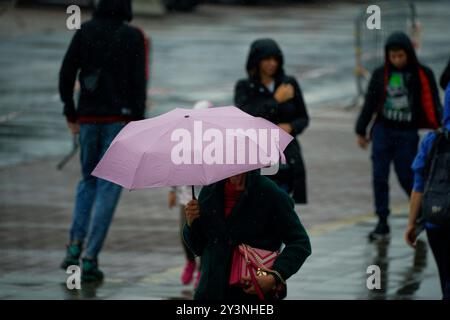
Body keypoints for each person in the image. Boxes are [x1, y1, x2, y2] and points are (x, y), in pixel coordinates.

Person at [59, 0, 148, 282]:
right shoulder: (133, 36)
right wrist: (137, 118)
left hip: (88, 118)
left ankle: (74, 244)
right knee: (109, 186)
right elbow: (138, 82)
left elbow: (66, 73)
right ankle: (90, 258)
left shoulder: (84, 31)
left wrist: (70, 110)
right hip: (118, 120)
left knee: (88, 180)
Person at [355, 31, 442, 241]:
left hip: (407, 133)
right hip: (383, 131)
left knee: (408, 176)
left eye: (401, 56)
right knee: (379, 177)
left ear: (409, 54)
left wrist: (441, 129)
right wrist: (361, 130)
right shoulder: (380, 74)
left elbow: (434, 102)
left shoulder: (422, 73)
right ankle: (382, 221)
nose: (397, 60)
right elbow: (369, 104)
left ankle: (420, 214)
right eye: (393, 56)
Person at [183, 169, 311, 300]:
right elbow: (198, 247)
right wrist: (191, 223)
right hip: (210, 292)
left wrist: (275, 276)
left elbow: (300, 243)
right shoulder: (209, 190)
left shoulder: (270, 193)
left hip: (251, 293)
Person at [234, 38, 309, 204]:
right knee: (259, 208)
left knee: (282, 208)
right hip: (257, 157)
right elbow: (246, 117)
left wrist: (290, 126)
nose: (272, 64)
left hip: (287, 156)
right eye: (267, 59)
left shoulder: (288, 83)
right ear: (256, 61)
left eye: (275, 59)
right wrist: (275, 100)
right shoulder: (245, 87)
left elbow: (303, 118)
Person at [405, 68, 450, 300]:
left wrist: (412, 223)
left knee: (445, 277)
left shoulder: (433, 140)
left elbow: (419, 185)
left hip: (437, 221)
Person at [168, 100, 212, 287]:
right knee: (184, 232)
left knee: (207, 234)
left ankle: (202, 270)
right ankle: (190, 261)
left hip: (209, 196)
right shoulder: (185, 141)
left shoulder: (215, 142)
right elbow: (175, 167)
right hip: (187, 195)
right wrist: (172, 190)